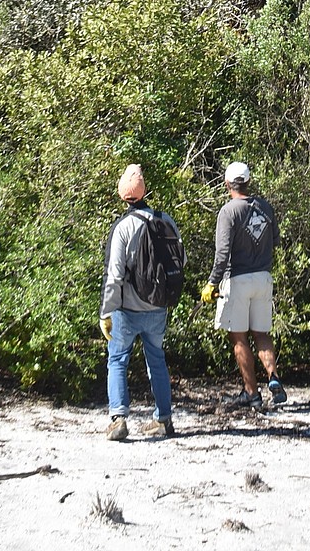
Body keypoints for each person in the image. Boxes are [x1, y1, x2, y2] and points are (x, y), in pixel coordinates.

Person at [100, 164, 185, 441]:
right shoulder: (165, 220)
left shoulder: (123, 227)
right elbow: (181, 260)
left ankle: (119, 419)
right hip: (158, 307)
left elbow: (114, 274)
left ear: (121, 195)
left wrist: (106, 312)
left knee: (117, 359)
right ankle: (163, 419)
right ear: (145, 191)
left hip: (127, 309)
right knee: (157, 360)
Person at [200, 160, 287, 408]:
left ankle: (251, 393)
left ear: (226, 184)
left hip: (237, 280)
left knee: (238, 337)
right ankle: (273, 377)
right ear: (248, 182)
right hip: (263, 278)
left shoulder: (228, 212)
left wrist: (212, 283)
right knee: (262, 333)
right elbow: (276, 241)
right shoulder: (266, 207)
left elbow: (222, 253)